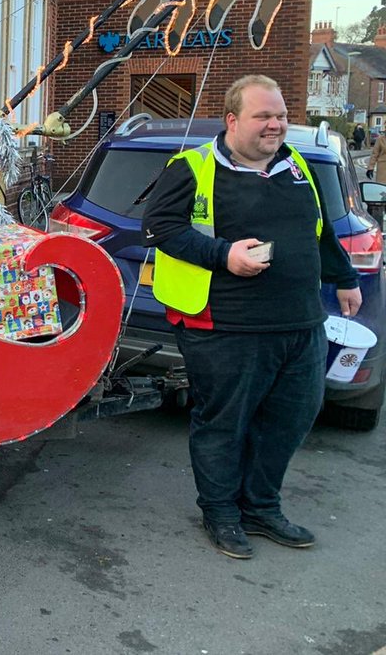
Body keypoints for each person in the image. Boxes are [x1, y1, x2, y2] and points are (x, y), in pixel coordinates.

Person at [142, 75, 360, 560]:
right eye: (264, 116)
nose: (276, 125)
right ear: (233, 120)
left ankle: (261, 507)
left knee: (289, 419)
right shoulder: (193, 167)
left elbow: (317, 230)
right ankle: (220, 513)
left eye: (280, 115)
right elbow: (159, 227)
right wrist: (224, 255)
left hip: (301, 324)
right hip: (225, 327)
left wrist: (344, 278)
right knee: (224, 423)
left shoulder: (295, 163)